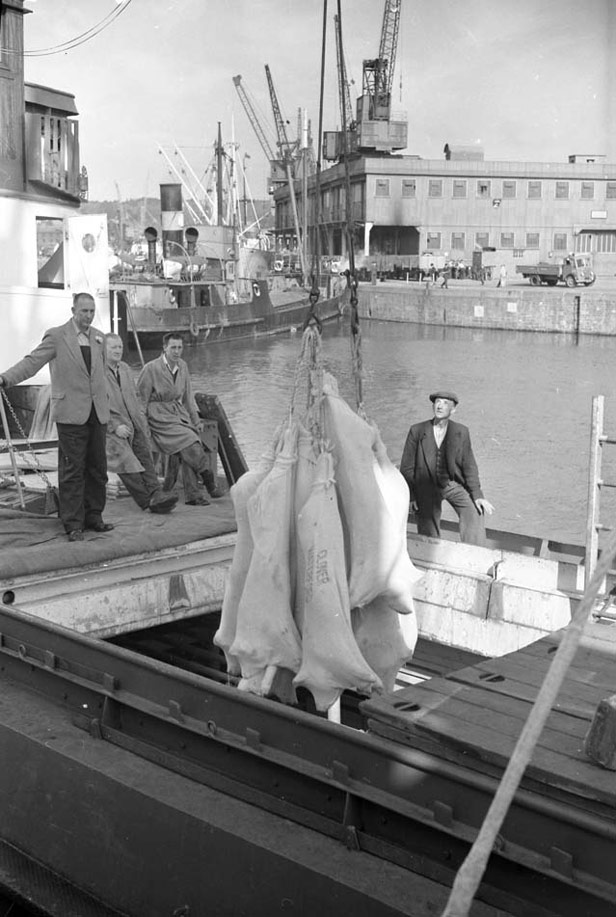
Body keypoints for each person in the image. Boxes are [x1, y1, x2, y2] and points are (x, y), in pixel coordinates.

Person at [0, 292, 112, 542]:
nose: (89, 316)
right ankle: (73, 523)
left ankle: (94, 516)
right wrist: (6, 378)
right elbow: (32, 362)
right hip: (71, 414)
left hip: (97, 414)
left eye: (92, 311)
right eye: (84, 311)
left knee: (98, 469)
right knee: (72, 470)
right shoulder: (57, 336)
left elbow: (103, 375)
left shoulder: (99, 338)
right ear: (73, 310)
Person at [400, 390, 494, 546]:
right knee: (427, 525)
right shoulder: (417, 430)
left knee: (474, 511)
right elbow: (406, 468)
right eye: (437, 402)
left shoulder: (461, 432)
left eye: (445, 403)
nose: (440, 406)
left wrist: (477, 495)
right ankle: (430, 553)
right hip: (425, 486)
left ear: (453, 409)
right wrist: (412, 496)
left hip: (451, 484)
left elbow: (469, 465)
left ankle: (475, 554)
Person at [137, 333, 222, 506]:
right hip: (158, 416)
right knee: (189, 440)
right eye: (173, 347)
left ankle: (193, 495)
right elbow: (141, 401)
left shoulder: (182, 366)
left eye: (180, 347)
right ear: (165, 348)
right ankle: (208, 479)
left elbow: (188, 397)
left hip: (177, 414)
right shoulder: (151, 368)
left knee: (190, 440)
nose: (177, 351)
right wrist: (143, 427)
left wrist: (196, 420)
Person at [105, 334, 178, 514]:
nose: (117, 350)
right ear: (103, 350)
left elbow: (136, 397)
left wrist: (141, 421)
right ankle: (146, 502)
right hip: (111, 429)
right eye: (113, 347)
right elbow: (96, 405)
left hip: (132, 423)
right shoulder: (97, 374)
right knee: (126, 461)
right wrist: (114, 427)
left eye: (120, 347)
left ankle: (157, 493)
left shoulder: (125, 369)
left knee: (144, 454)